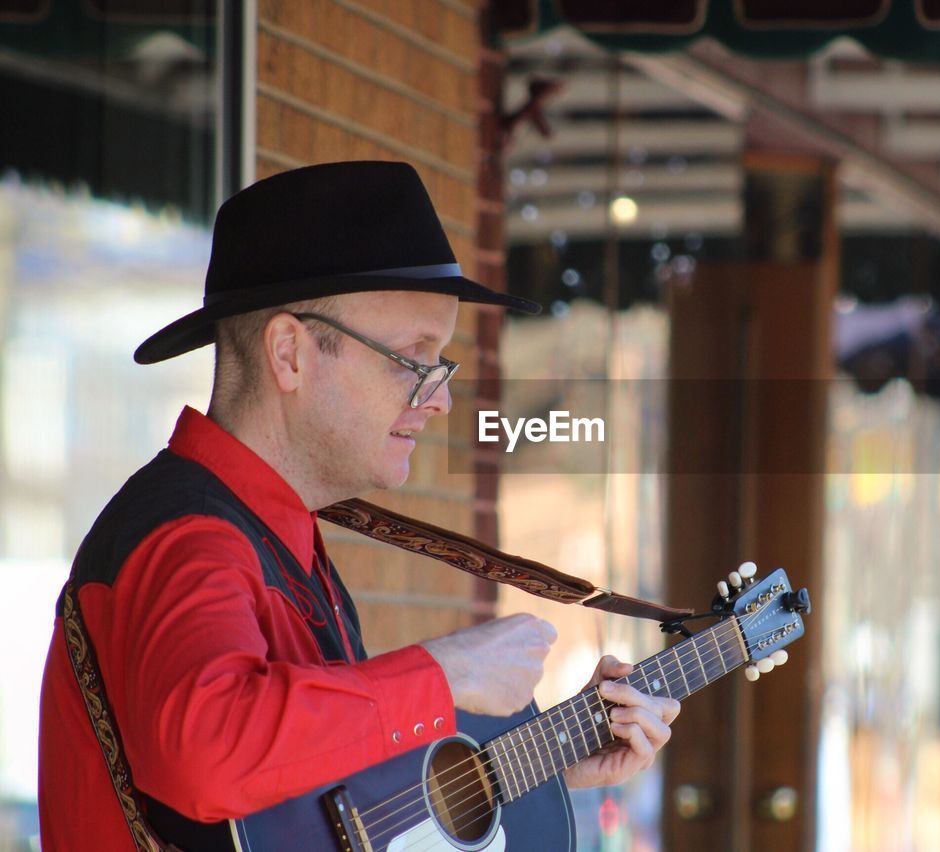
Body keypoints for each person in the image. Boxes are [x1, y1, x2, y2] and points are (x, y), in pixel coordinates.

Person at [37, 160, 680, 850]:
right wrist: (447, 673)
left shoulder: (274, 536)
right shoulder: (189, 535)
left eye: (442, 366)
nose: (439, 398)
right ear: (289, 354)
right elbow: (208, 753)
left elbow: (321, 813)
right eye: (413, 359)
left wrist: (537, 764)